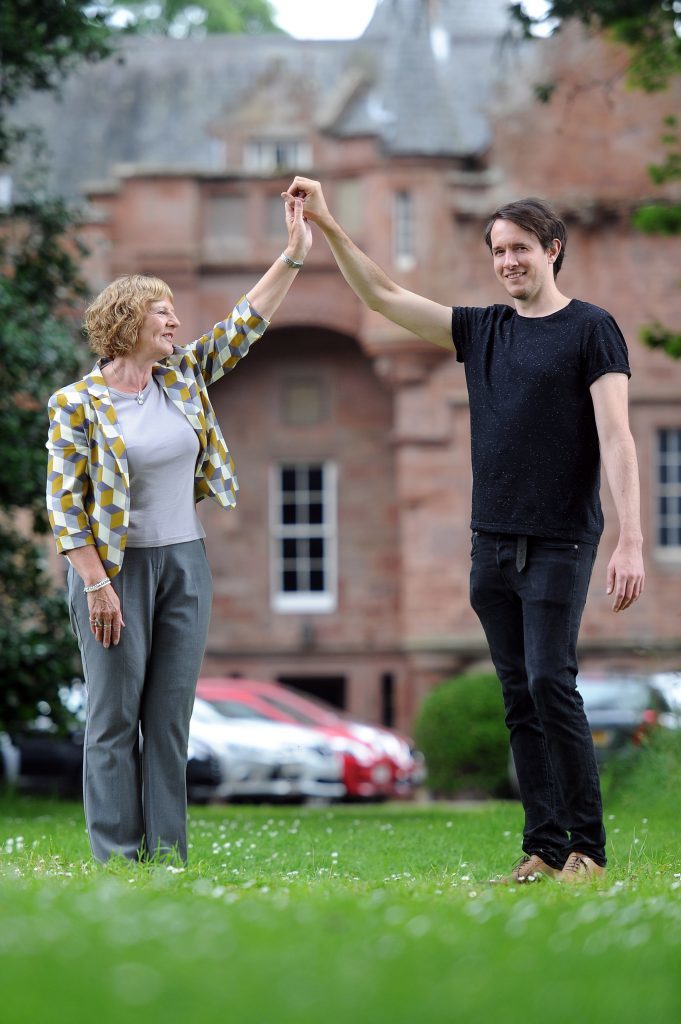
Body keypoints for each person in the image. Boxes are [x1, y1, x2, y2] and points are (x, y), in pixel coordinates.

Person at [282, 177, 644, 883]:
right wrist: (326, 223)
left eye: (520, 249)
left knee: (550, 683)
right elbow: (383, 296)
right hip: (491, 545)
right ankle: (541, 845)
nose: (507, 261)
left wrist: (630, 538)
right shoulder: (482, 330)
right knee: (517, 695)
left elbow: (619, 438)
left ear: (552, 250)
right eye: (497, 251)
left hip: (560, 540)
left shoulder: (590, 329)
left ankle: (587, 850)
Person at [46, 198, 312, 863]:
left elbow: (246, 323)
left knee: (168, 721)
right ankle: (115, 854)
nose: (174, 320)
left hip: (184, 565)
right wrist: (97, 584)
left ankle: (166, 853)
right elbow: (64, 506)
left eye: (173, 312)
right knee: (112, 719)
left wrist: (294, 253)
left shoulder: (183, 378)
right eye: (161, 312)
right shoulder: (76, 405)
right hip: (110, 572)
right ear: (127, 321)